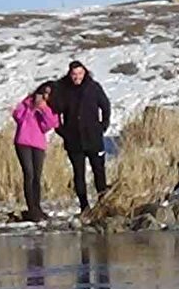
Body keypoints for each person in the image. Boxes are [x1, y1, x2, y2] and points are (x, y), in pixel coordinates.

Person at [51, 61, 112, 211]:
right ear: (69, 74)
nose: (77, 77)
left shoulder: (93, 87)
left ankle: (103, 203)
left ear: (85, 72)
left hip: (93, 138)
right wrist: (62, 131)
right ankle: (84, 206)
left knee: (99, 171)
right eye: (74, 74)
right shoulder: (64, 90)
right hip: (74, 140)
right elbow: (55, 111)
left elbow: (105, 106)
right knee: (79, 174)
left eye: (79, 73)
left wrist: (103, 125)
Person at [12, 81, 56, 221]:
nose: (45, 96)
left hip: (38, 144)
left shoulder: (49, 108)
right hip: (23, 142)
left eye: (48, 94)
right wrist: (31, 107)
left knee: (37, 175)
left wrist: (44, 109)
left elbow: (50, 125)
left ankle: (37, 207)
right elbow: (18, 116)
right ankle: (31, 208)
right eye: (43, 93)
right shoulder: (27, 103)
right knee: (29, 173)